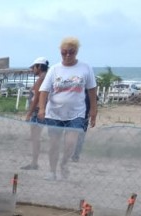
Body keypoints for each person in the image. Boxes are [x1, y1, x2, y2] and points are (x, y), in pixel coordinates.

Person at [37, 37, 98, 181]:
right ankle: (52, 172)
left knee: (71, 143)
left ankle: (64, 164)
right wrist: (41, 109)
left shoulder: (85, 68)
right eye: (64, 52)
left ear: (76, 52)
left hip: (76, 113)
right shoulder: (54, 69)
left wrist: (94, 110)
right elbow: (44, 91)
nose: (68, 55)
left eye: (71, 52)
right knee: (54, 144)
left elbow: (92, 90)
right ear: (60, 52)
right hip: (54, 113)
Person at [20, 57, 49, 170]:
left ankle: (34, 162)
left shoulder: (42, 79)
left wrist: (29, 113)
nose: (32, 69)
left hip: (37, 112)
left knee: (35, 137)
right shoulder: (46, 77)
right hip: (41, 111)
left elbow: (36, 97)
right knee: (36, 137)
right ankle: (34, 162)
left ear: (39, 67)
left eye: (34, 67)